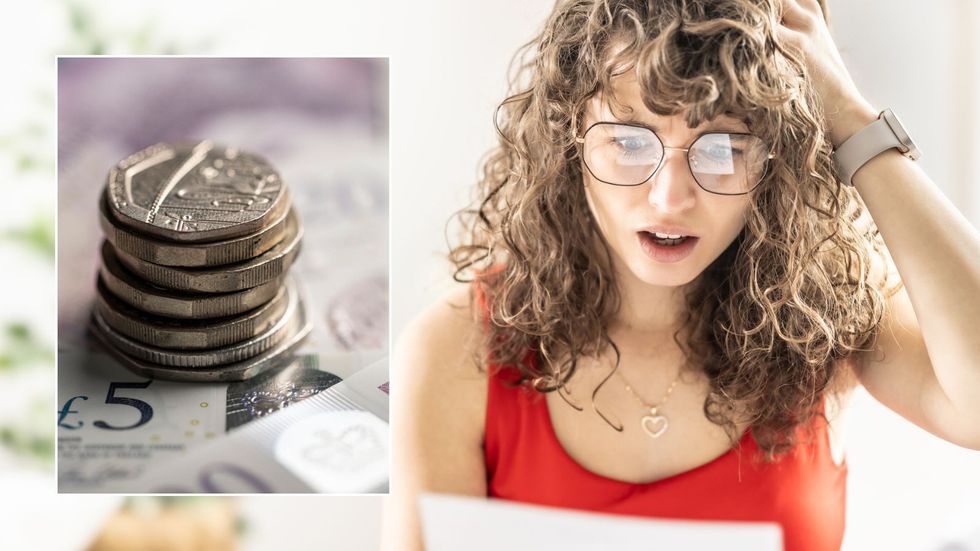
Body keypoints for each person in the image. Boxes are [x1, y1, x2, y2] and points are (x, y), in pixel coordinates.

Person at [384, 0, 980, 550]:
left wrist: (851, 121)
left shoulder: (826, 311)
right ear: (571, 137)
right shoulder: (454, 350)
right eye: (628, 141)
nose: (670, 199)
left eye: (721, 147)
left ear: (775, 157)